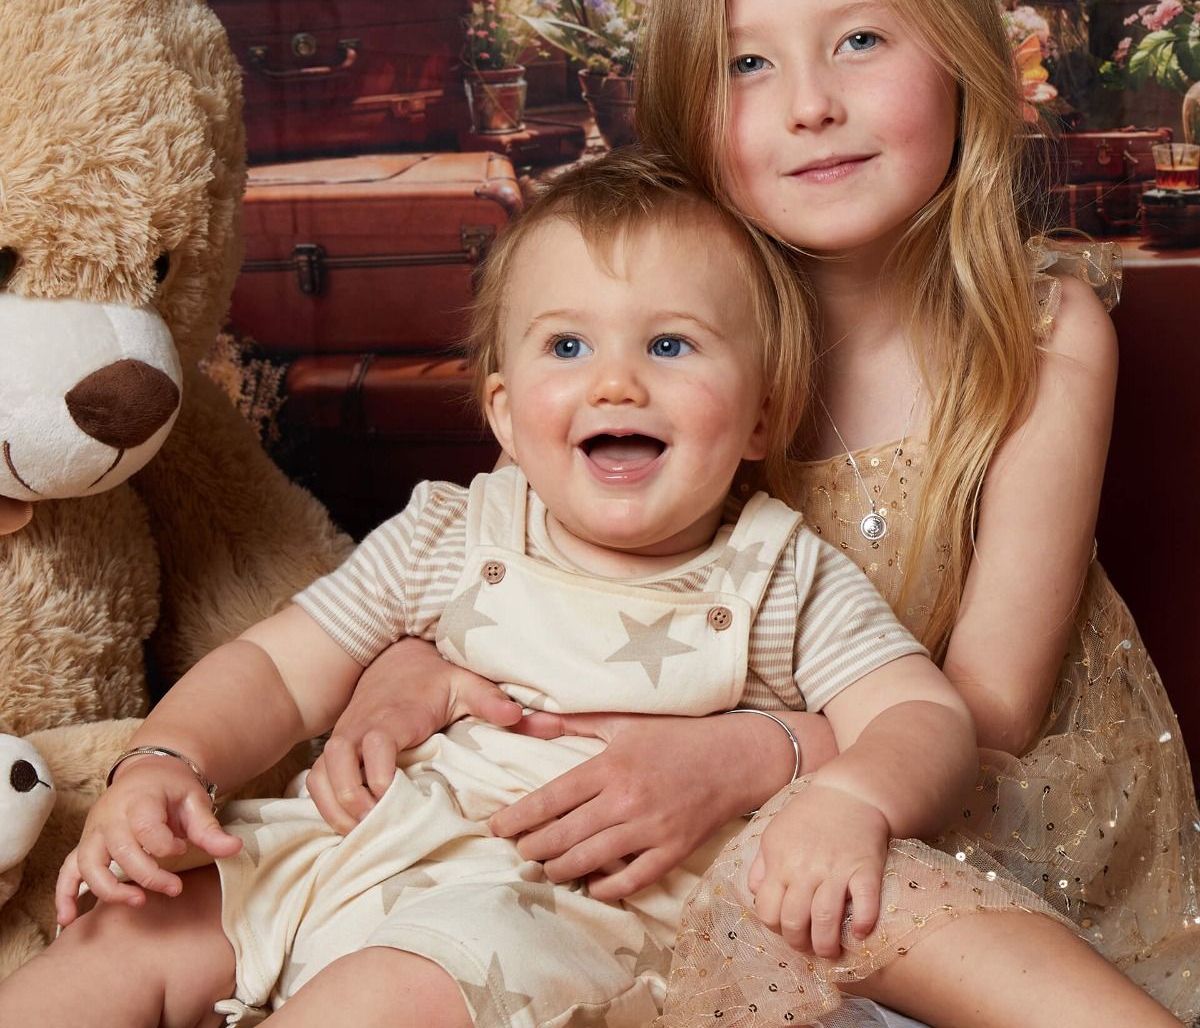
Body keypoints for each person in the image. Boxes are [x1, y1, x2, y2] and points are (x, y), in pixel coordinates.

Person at [320, 0, 1200, 1026]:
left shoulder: (1038, 331)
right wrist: (407, 666)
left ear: (955, 46)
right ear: (687, 98)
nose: (813, 105)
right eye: (746, 62)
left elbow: (986, 710)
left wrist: (745, 759)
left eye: (861, 39)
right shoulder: (660, 340)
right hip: (710, 818)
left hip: (976, 819)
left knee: (827, 888)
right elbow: (526, 552)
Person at [0, 152, 1177, 1028]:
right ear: (505, 414)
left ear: (761, 415)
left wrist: (854, 799)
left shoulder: (781, 571)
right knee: (110, 947)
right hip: (345, 847)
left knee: (375, 1003)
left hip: (539, 907)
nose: (616, 377)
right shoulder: (450, 530)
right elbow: (273, 666)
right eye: (566, 348)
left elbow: (925, 716)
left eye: (671, 346)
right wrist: (167, 762)